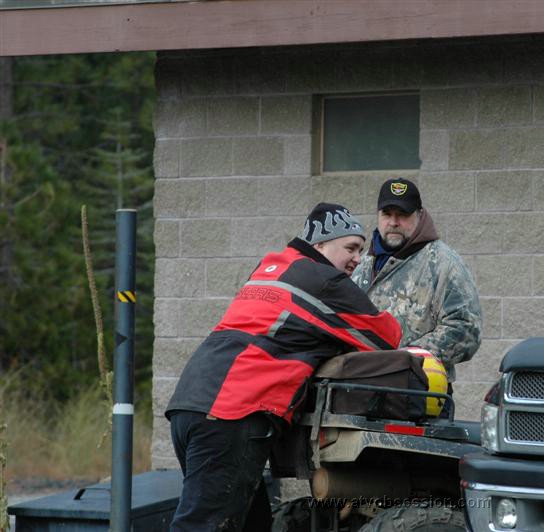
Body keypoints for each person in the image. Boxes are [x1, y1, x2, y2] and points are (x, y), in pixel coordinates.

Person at [165, 203, 401, 532]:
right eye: (350, 248)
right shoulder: (324, 280)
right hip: (232, 412)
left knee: (250, 524)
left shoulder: (269, 267)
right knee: (204, 526)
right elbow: (386, 338)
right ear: (320, 245)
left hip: (190, 404)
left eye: (361, 250)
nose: (357, 259)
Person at [351, 178, 481, 383]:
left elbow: (466, 330)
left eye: (402, 214)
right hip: (359, 388)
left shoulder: (443, 263)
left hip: (418, 393)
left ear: (419, 215)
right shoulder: (360, 264)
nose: (393, 222)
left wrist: (404, 359)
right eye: (387, 214)